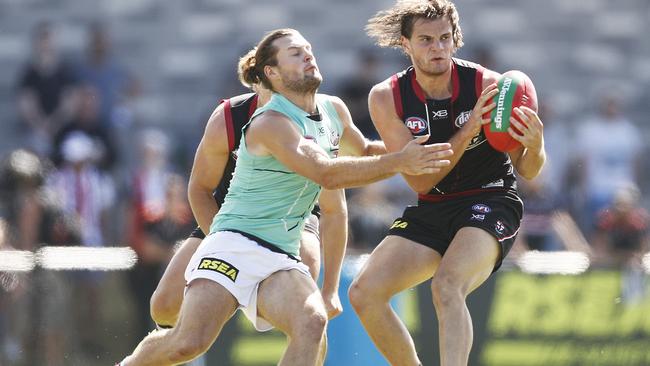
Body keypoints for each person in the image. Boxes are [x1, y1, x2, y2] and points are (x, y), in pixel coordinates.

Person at [117, 28, 452, 366]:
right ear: (271, 73)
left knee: (312, 321)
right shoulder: (270, 122)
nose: (308, 55)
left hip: (281, 252)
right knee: (188, 343)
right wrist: (401, 162)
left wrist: (430, 149)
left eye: (308, 48)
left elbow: (364, 151)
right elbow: (326, 173)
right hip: (234, 244)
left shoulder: (333, 110)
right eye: (295, 52)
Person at [348, 1, 546, 365]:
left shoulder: (488, 85)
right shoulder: (386, 96)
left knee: (446, 285)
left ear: (456, 40)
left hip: (491, 199)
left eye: (444, 38)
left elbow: (529, 171)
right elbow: (421, 181)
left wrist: (536, 145)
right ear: (404, 44)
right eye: (425, 40)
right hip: (434, 202)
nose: (437, 48)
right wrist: (468, 129)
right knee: (363, 292)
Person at [148, 85, 346, 329]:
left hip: (293, 213)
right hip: (231, 216)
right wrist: (227, 247)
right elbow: (199, 189)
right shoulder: (229, 116)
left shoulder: (317, 117)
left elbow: (335, 209)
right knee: (164, 306)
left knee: (304, 303)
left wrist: (331, 290)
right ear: (257, 80)